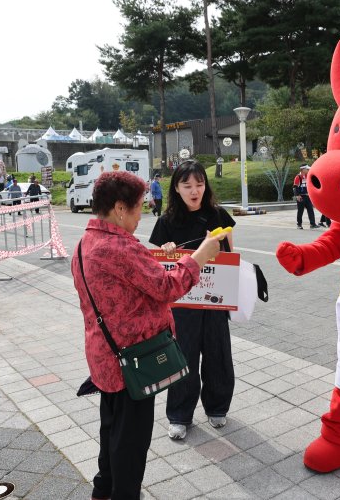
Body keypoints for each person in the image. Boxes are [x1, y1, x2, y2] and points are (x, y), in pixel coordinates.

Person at [71, 171, 226, 500]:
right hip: (133, 366)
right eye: (140, 207)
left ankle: (103, 491)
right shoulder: (119, 248)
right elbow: (167, 287)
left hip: (105, 359)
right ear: (120, 208)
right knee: (131, 446)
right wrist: (200, 256)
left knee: (111, 432)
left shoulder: (86, 243)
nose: (142, 215)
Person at [149, 160, 236, 441]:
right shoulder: (166, 223)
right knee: (183, 357)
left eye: (199, 184)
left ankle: (218, 406)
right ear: (176, 188)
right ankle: (179, 415)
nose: (194, 190)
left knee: (217, 353)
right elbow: (159, 265)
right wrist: (166, 249)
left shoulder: (219, 215)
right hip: (182, 303)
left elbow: (230, 256)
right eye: (187, 185)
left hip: (214, 299)